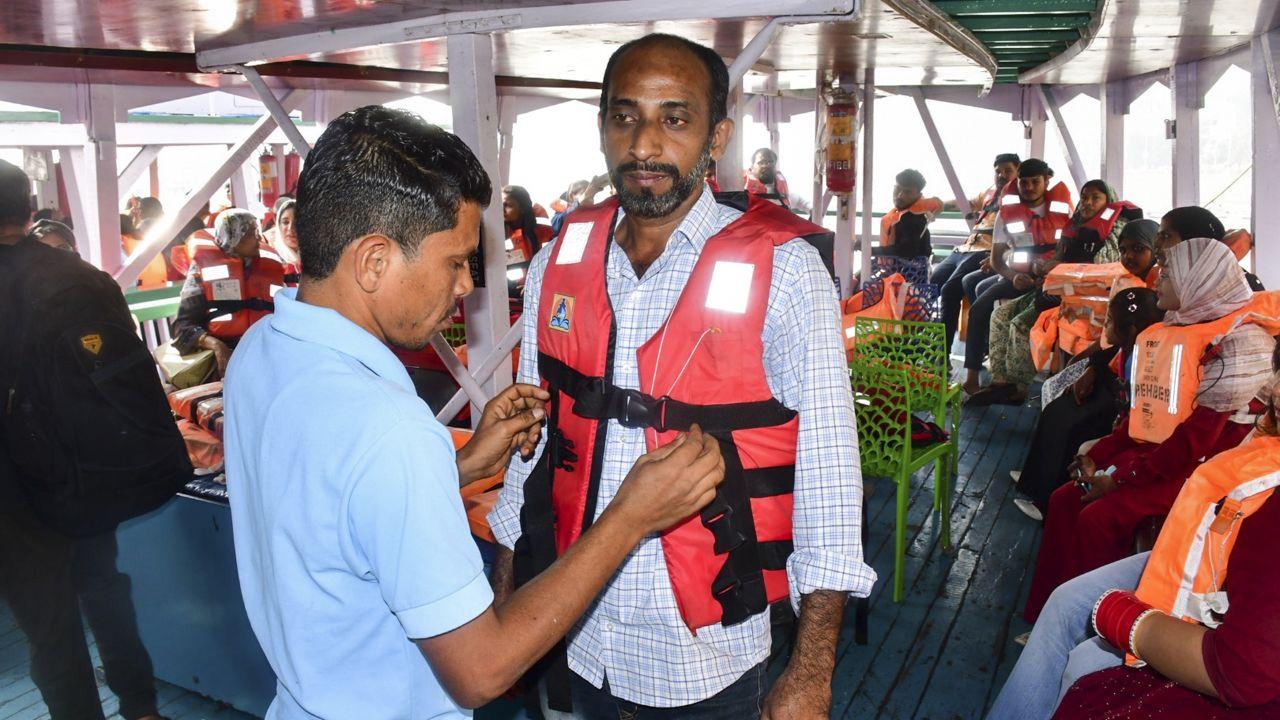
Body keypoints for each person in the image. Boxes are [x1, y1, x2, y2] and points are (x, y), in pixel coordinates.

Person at [223, 105, 725, 720]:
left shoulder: (260, 354)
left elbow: (326, 506)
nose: (465, 286)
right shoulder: (388, 431)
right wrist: (630, 517)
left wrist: (455, 466)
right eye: (455, 262)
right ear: (374, 260)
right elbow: (479, 671)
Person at [488, 33, 874, 719]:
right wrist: (507, 591)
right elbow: (533, 448)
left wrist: (812, 672)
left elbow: (831, 482)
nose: (643, 145)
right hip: (573, 637)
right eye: (624, 115)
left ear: (715, 135)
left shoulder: (786, 276)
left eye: (674, 117)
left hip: (708, 659)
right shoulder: (555, 265)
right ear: (602, 125)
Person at [988, 355, 1280, 720]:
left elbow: (1242, 673)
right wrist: (1103, 456)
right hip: (1211, 542)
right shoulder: (1181, 340)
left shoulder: (1230, 359)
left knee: (1084, 665)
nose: (1277, 391)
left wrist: (1119, 615)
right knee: (1066, 600)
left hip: (1204, 550)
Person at [0, 160, 177, 720]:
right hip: (90, 472)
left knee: (50, 631)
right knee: (105, 591)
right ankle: (143, 708)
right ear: (31, 210)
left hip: (15, 495)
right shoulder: (83, 276)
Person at [1023, 238, 1278, 623]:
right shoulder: (1178, 328)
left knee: (1098, 517)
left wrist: (1120, 479)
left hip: (1205, 474)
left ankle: (1088, 626)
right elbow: (1149, 416)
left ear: (1198, 279)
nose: (1159, 278)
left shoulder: (1240, 343)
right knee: (1064, 498)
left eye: (1169, 270)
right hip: (1165, 457)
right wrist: (1098, 454)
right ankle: (1047, 616)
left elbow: (1196, 442)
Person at [972, 179, 1136, 406]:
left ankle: (1018, 387)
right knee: (1000, 315)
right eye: (1085, 197)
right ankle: (1002, 383)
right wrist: (1042, 266)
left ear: (1108, 201)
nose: (1088, 203)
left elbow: (1103, 266)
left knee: (1020, 324)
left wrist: (1059, 272)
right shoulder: (1075, 223)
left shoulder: (1116, 228)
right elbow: (1060, 256)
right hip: (1056, 288)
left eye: (1095, 198)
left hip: (1084, 299)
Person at [1012, 286, 1164, 521]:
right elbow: (1106, 354)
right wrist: (1092, 368)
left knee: (1075, 425)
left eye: (1110, 322)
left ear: (1130, 329)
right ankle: (1034, 481)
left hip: (1119, 408)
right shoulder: (1126, 345)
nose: (1105, 327)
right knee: (1057, 409)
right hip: (1107, 385)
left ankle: (1045, 502)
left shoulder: (1148, 357)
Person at [961, 159, 1073, 395]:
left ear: (1047, 181)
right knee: (980, 307)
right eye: (1024, 182)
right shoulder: (1006, 214)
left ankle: (1021, 380)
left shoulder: (1065, 212)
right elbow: (996, 260)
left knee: (1000, 309)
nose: (1029, 187)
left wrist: (1054, 270)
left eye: (1035, 182)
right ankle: (972, 378)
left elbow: (1071, 254)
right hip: (1018, 278)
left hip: (1052, 282)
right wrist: (1012, 277)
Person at [170, 208, 285, 376]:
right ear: (232, 237)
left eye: (258, 231)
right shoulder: (200, 272)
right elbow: (182, 327)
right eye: (250, 233)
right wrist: (216, 345)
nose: (259, 238)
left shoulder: (270, 267)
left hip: (265, 356)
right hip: (226, 362)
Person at [935, 153, 1020, 350]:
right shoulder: (989, 193)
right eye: (998, 171)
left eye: (1008, 171)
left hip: (985, 251)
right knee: (933, 282)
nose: (1001, 175)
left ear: (1017, 173)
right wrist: (936, 205)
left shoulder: (1019, 198)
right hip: (965, 247)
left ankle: (942, 353)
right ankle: (922, 343)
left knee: (950, 290)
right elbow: (967, 203)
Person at [869, 168, 942, 284]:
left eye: (907, 192)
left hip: (911, 277)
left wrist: (870, 250)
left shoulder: (914, 219)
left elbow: (906, 250)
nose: (900, 195)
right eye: (897, 189)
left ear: (918, 194)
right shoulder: (901, 214)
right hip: (896, 270)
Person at [263, 196, 301, 283]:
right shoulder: (271, 259)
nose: (291, 228)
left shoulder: (315, 258)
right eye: (285, 222)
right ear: (278, 225)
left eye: (297, 222)